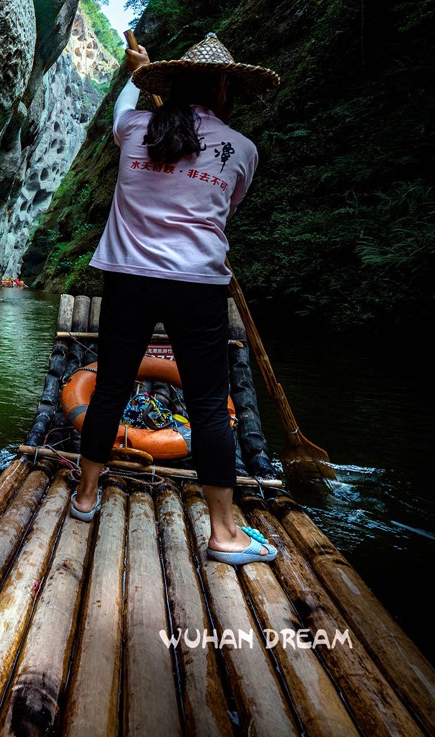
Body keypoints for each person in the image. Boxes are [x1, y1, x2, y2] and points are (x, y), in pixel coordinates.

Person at [69, 32, 282, 567]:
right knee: (210, 405)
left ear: (171, 84)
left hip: (128, 277)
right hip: (197, 282)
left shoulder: (135, 127)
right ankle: (224, 532)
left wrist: (132, 72)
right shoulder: (242, 149)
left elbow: (127, 104)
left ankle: (86, 498)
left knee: (112, 386)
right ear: (224, 90)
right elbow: (222, 212)